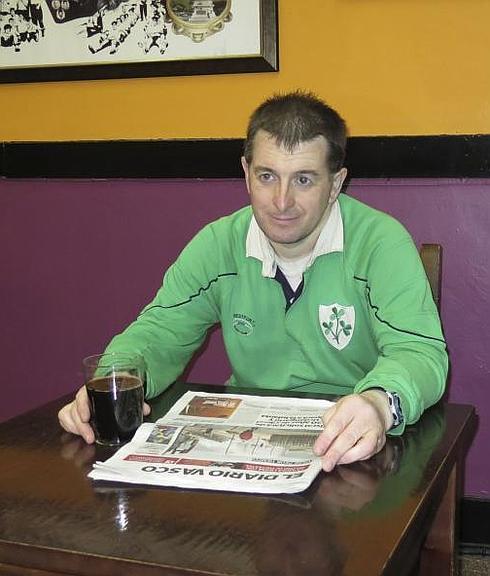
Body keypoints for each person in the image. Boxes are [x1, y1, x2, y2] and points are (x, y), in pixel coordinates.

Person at [58, 91, 448, 472]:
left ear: (335, 184)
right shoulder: (218, 244)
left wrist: (378, 402)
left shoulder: (380, 243)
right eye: (267, 176)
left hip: (354, 446)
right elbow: (159, 332)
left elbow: (419, 353)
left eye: (304, 180)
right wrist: (115, 378)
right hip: (247, 443)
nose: (281, 201)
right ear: (246, 174)